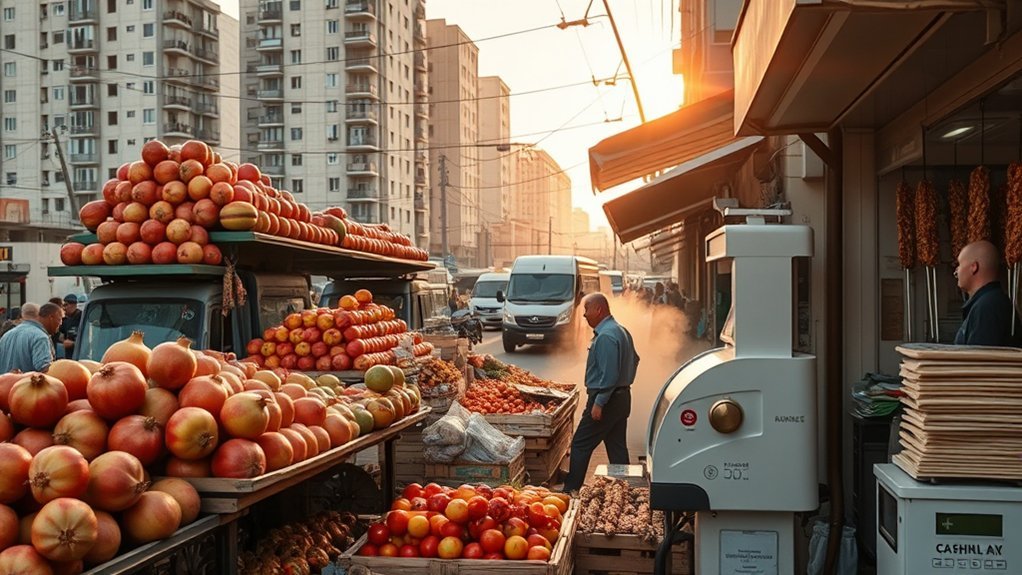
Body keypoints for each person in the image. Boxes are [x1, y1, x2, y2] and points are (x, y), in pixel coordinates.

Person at [562, 293, 640, 493]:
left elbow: (610, 375)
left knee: (580, 444)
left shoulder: (606, 336)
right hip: (622, 398)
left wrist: (600, 402)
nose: (584, 316)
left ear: (598, 310)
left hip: (606, 400)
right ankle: (625, 490)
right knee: (617, 448)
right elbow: (635, 360)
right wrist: (625, 382)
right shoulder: (621, 330)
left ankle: (571, 490)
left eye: (586, 310)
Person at [953, 240, 1022, 347]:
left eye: (959, 264)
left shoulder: (988, 307)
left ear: (974, 267)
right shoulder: (987, 303)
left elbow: (979, 360)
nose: (956, 271)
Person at [0, 302, 64, 373]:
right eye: (60, 319)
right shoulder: (40, 337)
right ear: (51, 317)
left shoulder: (6, 335)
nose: (60, 324)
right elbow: (46, 369)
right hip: (26, 383)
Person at [59, 294, 83, 360]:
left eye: (66, 305)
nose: (64, 308)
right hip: (69, 356)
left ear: (73, 305)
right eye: (63, 306)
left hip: (82, 355)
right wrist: (63, 340)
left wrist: (73, 344)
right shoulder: (65, 320)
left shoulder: (82, 318)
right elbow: (60, 335)